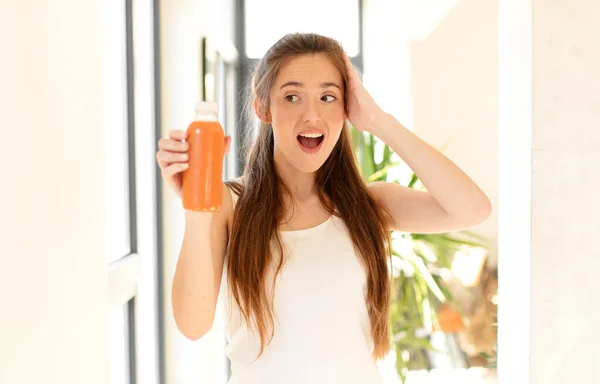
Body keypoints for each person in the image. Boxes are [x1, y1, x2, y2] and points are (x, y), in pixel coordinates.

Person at [156, 33, 491, 383]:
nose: (312, 114)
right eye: (292, 96)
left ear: (346, 108)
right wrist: (196, 206)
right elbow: (193, 325)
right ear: (263, 108)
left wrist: (376, 119)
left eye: (328, 97)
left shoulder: (369, 206)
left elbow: (471, 209)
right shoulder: (229, 205)